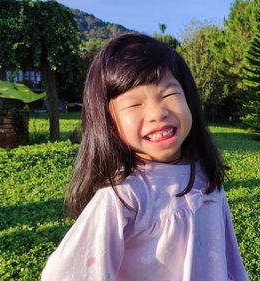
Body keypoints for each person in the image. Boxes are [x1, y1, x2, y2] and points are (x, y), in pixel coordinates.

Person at [41, 33, 249, 281]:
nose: (157, 113)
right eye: (134, 104)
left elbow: (227, 254)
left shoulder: (205, 173)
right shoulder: (123, 195)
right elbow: (64, 274)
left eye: (168, 94)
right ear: (108, 123)